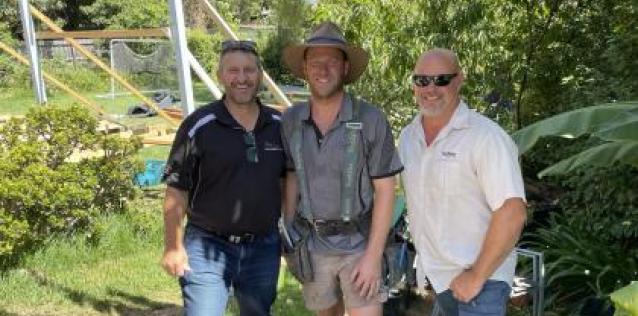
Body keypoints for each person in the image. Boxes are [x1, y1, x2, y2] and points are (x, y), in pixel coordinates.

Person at [280, 22, 403, 316]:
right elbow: (291, 175)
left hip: (360, 243)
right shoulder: (291, 120)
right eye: (315, 62)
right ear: (305, 68)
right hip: (312, 243)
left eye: (332, 61)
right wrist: (287, 236)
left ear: (346, 68)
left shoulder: (371, 119)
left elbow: (387, 189)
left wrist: (373, 257)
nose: (323, 70)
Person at [398, 48, 527, 315]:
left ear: (459, 80)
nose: (430, 88)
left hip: (481, 281)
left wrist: (477, 275)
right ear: (413, 84)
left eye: (441, 79)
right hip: (440, 278)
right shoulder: (409, 138)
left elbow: (512, 213)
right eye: (422, 80)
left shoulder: (486, 137)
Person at [160, 40, 285, 316]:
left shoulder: (278, 126)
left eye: (249, 70)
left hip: (263, 247)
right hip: (207, 245)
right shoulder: (199, 126)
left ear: (260, 75)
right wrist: (173, 245)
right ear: (220, 76)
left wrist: (289, 234)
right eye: (233, 70)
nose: (242, 78)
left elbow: (288, 181)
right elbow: (177, 191)